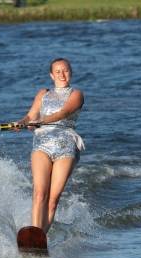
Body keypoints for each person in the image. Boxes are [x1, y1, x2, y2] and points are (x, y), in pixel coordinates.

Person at [15, 58, 84, 234]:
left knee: (53, 200)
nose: (62, 74)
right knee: (39, 194)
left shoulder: (76, 94)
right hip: (42, 144)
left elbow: (64, 112)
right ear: (51, 75)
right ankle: (34, 234)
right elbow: (30, 116)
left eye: (66, 70)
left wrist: (41, 121)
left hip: (65, 146)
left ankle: (41, 236)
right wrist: (21, 123)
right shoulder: (43, 93)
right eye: (58, 71)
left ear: (71, 72)